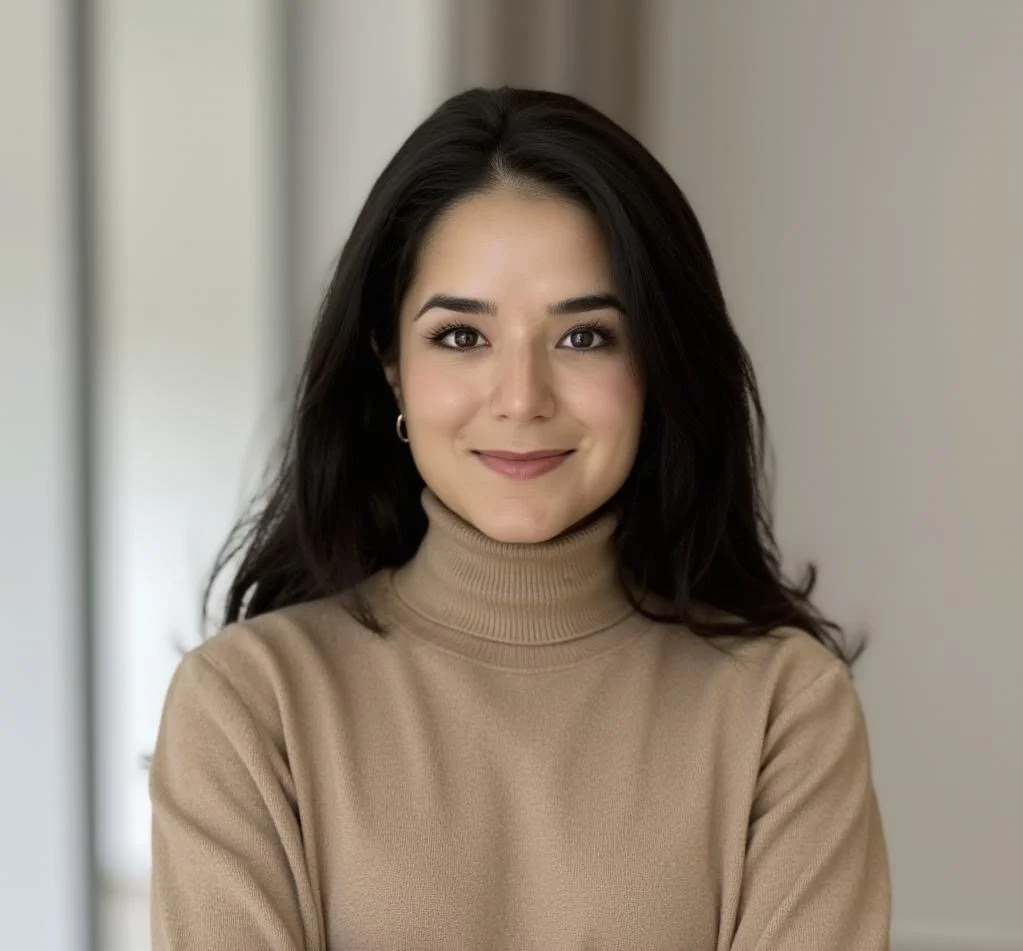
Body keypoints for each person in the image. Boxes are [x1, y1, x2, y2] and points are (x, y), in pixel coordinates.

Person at [148, 86, 891, 950]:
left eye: (584, 337)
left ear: (655, 364)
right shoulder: (249, 706)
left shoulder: (782, 708)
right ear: (390, 365)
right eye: (462, 336)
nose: (521, 398)